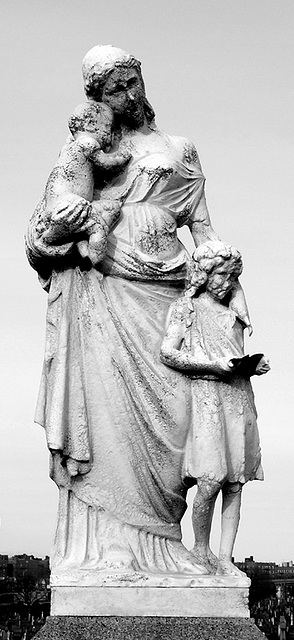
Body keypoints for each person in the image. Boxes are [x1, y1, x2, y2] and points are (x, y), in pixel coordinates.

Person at [26, 45, 253, 579]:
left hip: (171, 290)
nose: (129, 95)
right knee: (108, 423)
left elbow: (202, 229)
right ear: (97, 97)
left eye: (134, 82)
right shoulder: (90, 143)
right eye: (115, 89)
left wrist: (229, 296)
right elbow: (55, 213)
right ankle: (112, 550)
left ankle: (168, 542)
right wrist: (79, 229)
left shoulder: (180, 148)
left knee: (177, 422)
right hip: (105, 292)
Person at [160, 241, 270, 574]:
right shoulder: (186, 308)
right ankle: (200, 549)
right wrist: (213, 366)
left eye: (231, 276)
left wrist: (254, 365)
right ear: (205, 274)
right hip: (206, 396)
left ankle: (225, 559)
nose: (226, 282)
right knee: (210, 479)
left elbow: (236, 356)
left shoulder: (234, 315)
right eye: (221, 274)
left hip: (238, 397)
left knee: (235, 483)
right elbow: (168, 352)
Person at [40, 101, 131, 266]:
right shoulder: (87, 143)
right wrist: (122, 158)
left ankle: (80, 242)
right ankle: (94, 259)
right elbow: (106, 163)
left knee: (112, 209)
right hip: (71, 206)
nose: (110, 136)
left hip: (55, 208)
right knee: (97, 228)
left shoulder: (67, 148)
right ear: (90, 124)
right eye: (107, 128)